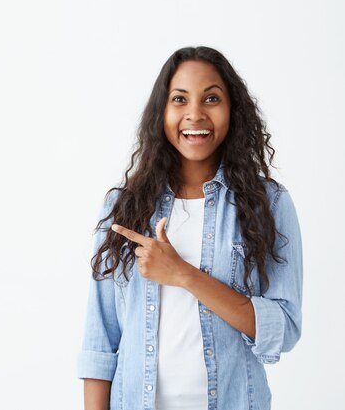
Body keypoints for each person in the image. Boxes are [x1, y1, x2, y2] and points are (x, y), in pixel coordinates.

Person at [77, 46, 303, 410]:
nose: (195, 114)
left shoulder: (269, 204)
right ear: (161, 112)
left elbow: (283, 329)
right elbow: (100, 339)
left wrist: (182, 274)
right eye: (179, 99)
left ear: (233, 111)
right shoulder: (125, 206)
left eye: (211, 98)